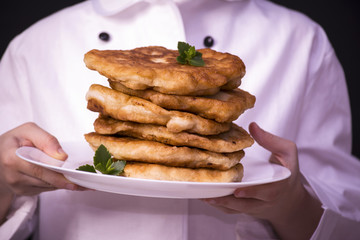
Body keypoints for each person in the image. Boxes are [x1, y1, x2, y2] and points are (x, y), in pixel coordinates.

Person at [0, 0, 359, 239]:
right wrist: (3, 182)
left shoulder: (301, 39)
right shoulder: (36, 45)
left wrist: (291, 202)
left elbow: (348, 223)